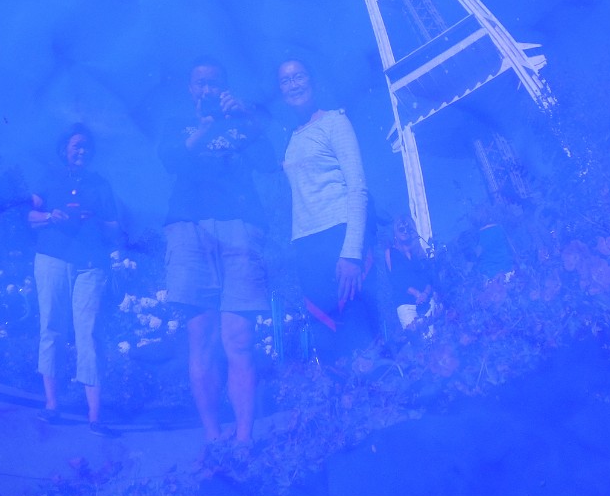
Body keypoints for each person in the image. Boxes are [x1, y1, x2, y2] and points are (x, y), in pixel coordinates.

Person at [158, 59, 271, 444]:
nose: (207, 89)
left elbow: (269, 163)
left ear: (225, 87)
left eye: (214, 83)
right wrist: (205, 127)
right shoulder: (177, 123)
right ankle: (213, 436)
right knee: (201, 337)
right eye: (200, 82)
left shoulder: (242, 122)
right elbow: (170, 160)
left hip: (241, 226)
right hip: (188, 226)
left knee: (239, 339)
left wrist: (247, 119)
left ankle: (244, 440)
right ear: (191, 88)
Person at [277, 59, 376, 357]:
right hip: (306, 244)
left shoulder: (335, 122)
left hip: (339, 236)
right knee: (326, 335)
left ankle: (380, 385)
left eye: (299, 76)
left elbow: (357, 187)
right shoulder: (289, 138)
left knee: (358, 330)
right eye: (285, 81)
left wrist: (351, 253)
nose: (293, 85)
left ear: (312, 80)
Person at [29, 124, 121, 436]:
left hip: (90, 265)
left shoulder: (100, 184)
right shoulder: (49, 178)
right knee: (52, 327)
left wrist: (94, 221)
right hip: (52, 259)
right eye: (76, 146)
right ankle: (51, 404)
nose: (82, 151)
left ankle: (95, 414)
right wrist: (50, 217)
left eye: (86, 147)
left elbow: (114, 227)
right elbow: (30, 216)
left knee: (89, 333)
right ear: (64, 149)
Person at [384, 215, 435, 332]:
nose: (405, 231)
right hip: (406, 305)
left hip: (426, 300)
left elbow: (428, 277)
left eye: (408, 228)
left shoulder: (417, 251)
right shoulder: (390, 252)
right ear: (395, 232)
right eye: (401, 229)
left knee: (434, 337)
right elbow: (395, 279)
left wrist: (425, 294)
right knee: (418, 339)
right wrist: (417, 294)